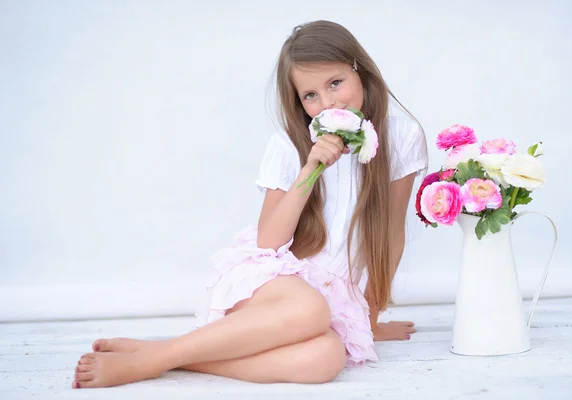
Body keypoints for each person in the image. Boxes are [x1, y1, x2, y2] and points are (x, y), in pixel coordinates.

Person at [71, 19, 428, 389]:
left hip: (335, 297)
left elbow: (390, 235)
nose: (328, 103)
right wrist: (311, 168)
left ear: (360, 69)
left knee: (326, 359)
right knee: (309, 309)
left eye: (335, 83)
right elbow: (269, 242)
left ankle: (160, 355)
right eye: (310, 95)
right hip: (275, 284)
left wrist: (369, 320)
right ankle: (149, 362)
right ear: (298, 101)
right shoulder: (289, 144)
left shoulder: (401, 137)